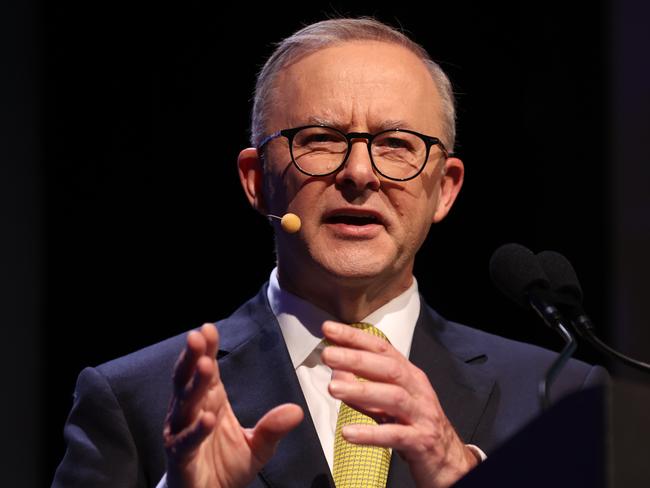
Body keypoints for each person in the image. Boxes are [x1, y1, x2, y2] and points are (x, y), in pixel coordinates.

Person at [52, 17, 607, 488]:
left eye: (396, 144)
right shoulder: (132, 400)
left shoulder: (561, 396)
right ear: (256, 180)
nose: (359, 174)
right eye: (320, 139)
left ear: (445, 188)